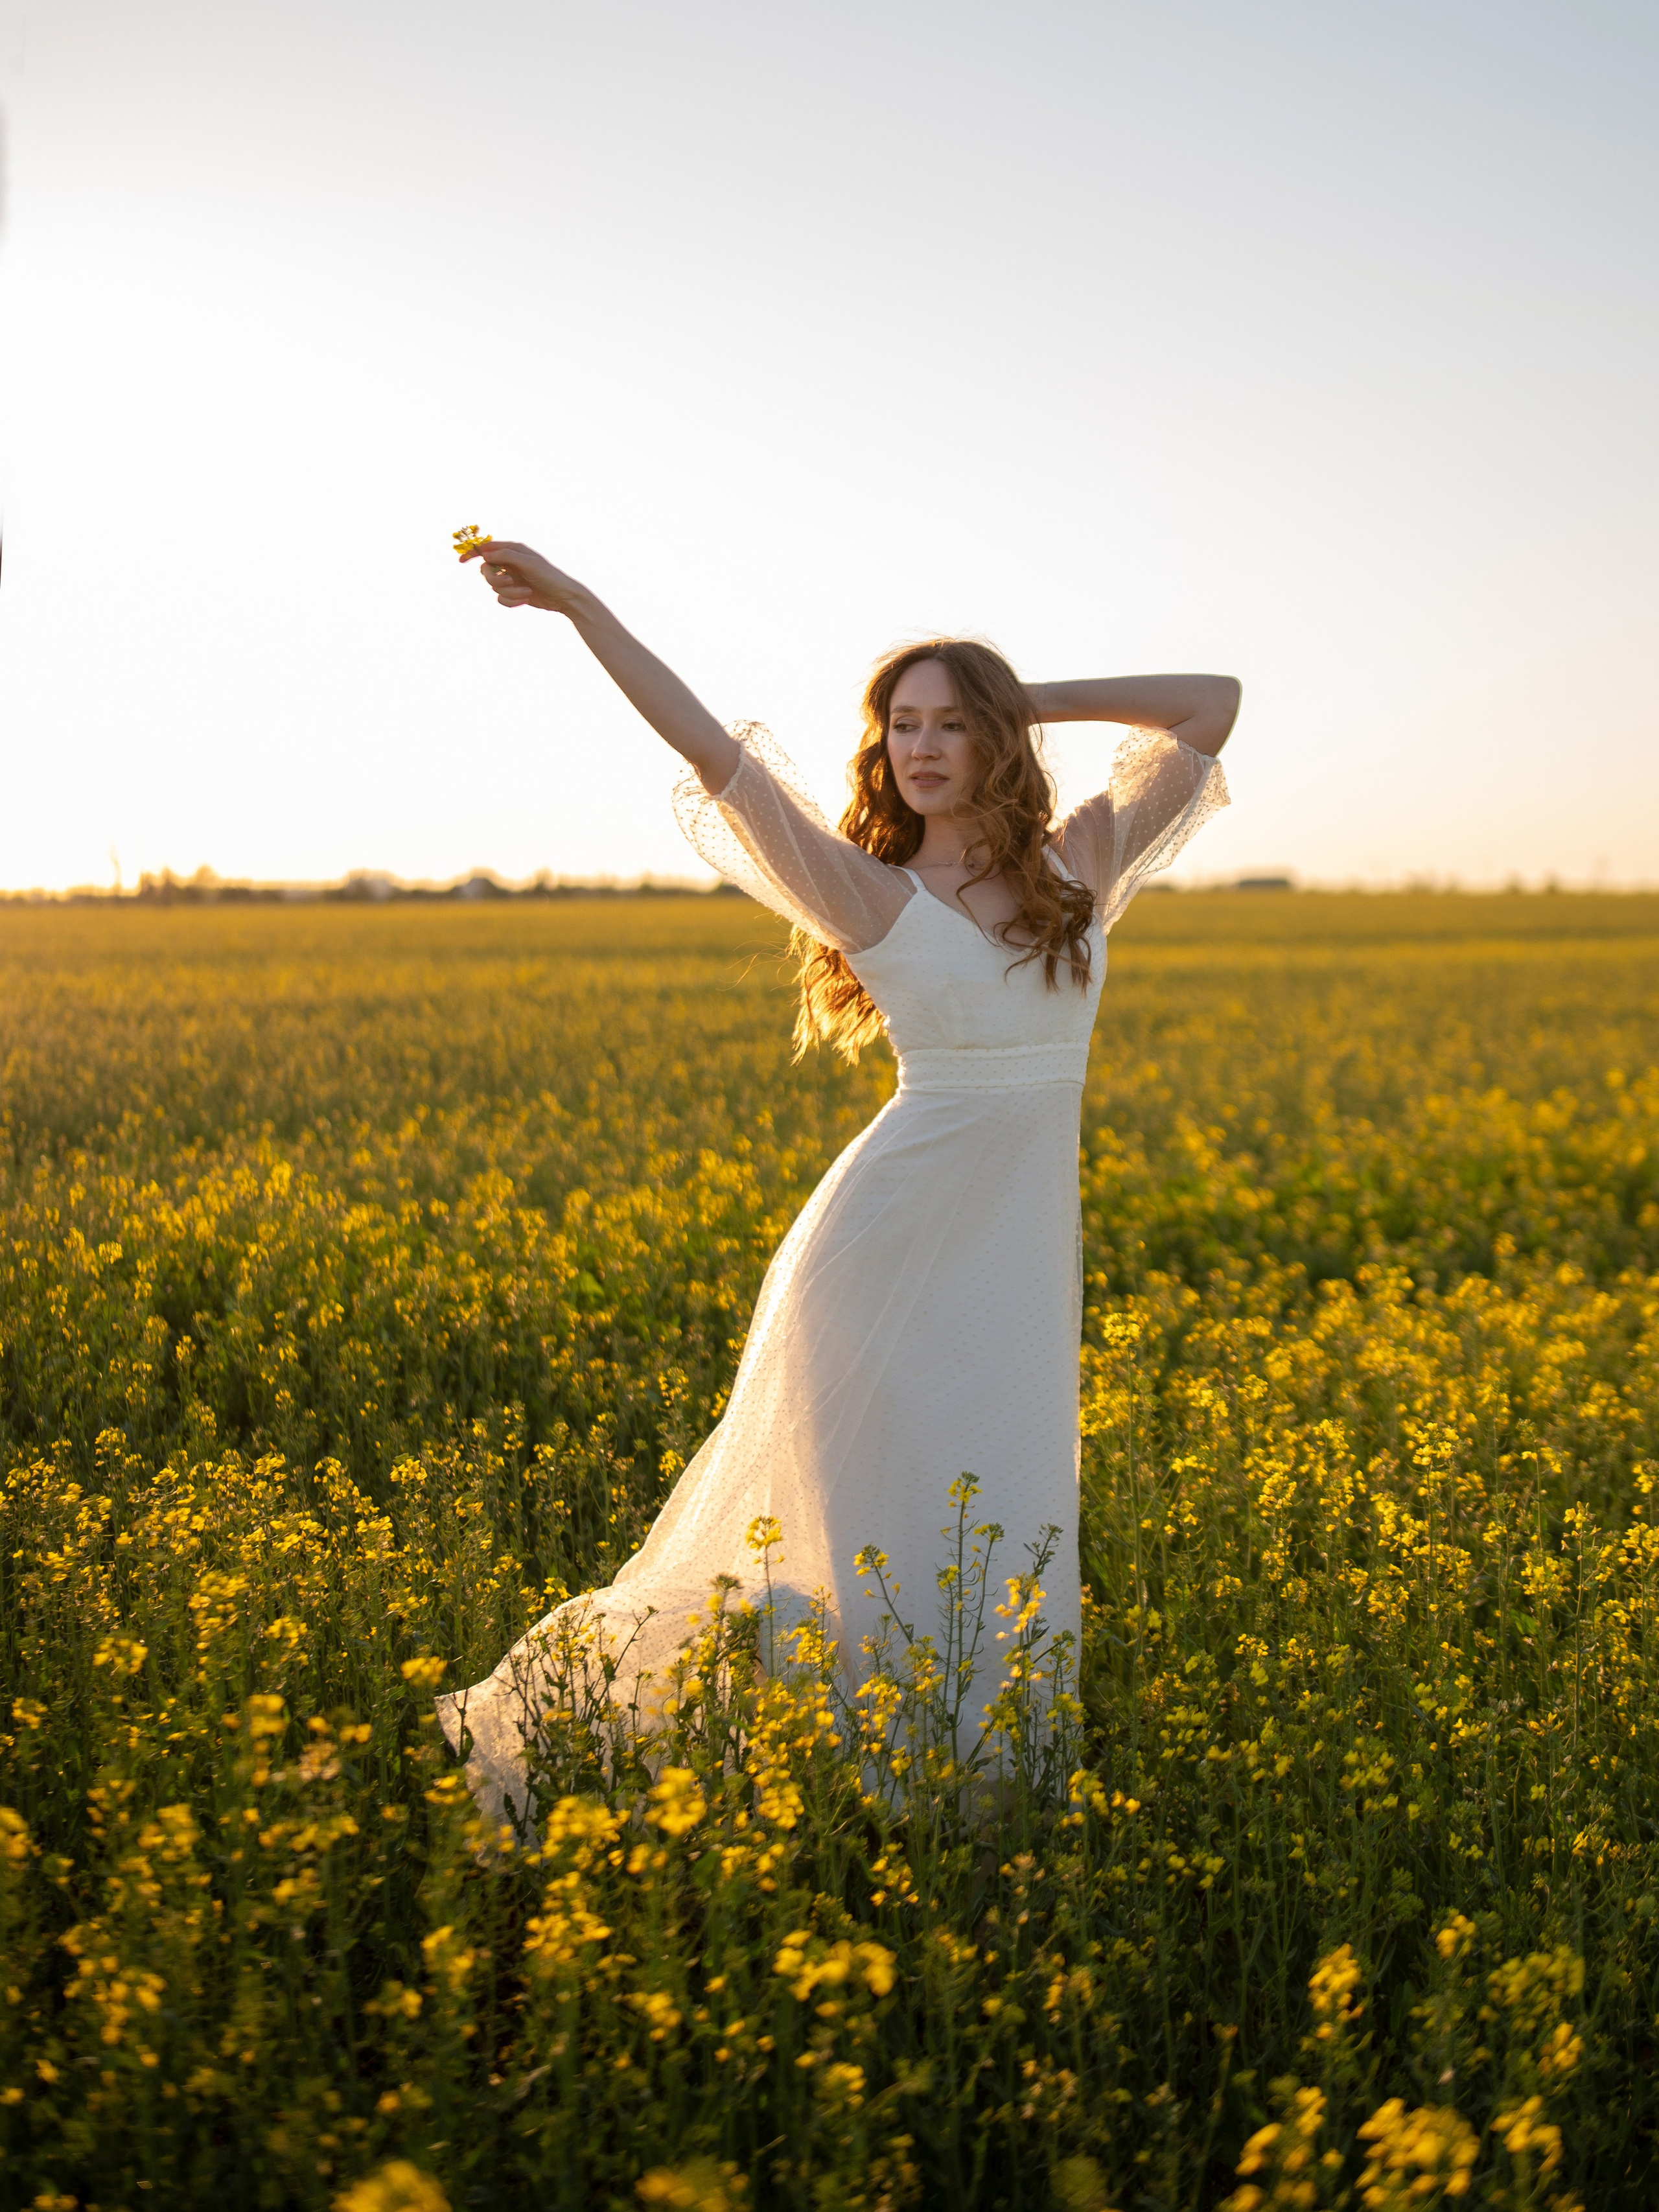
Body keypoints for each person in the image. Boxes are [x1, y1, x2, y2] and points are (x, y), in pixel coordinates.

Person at [437, 540, 1238, 1829]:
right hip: (876, 1260)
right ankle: (852, 1791)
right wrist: (584, 605)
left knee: (1005, 1510)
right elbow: (718, 760)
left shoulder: (1077, 868)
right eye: (899, 725)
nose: (918, 747)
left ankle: (974, 1806)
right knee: (879, 1535)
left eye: (945, 724)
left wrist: (1018, 697)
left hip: (1011, 1268)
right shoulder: (871, 894)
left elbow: (1210, 702)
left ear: (988, 739)